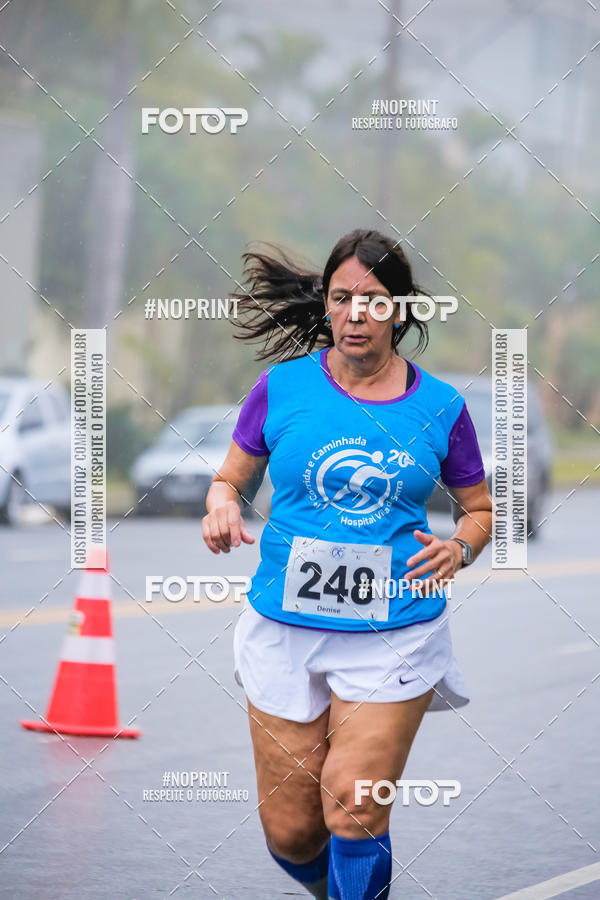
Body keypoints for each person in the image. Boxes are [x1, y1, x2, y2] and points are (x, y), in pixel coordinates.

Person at [202, 228, 493, 900]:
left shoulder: (441, 407)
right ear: (326, 304)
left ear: (400, 308)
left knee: (356, 805)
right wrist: (221, 506)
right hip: (283, 625)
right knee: (293, 832)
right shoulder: (281, 388)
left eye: (373, 300)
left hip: (397, 630)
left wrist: (461, 547)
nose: (355, 314)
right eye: (341, 298)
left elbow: (480, 509)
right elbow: (229, 480)